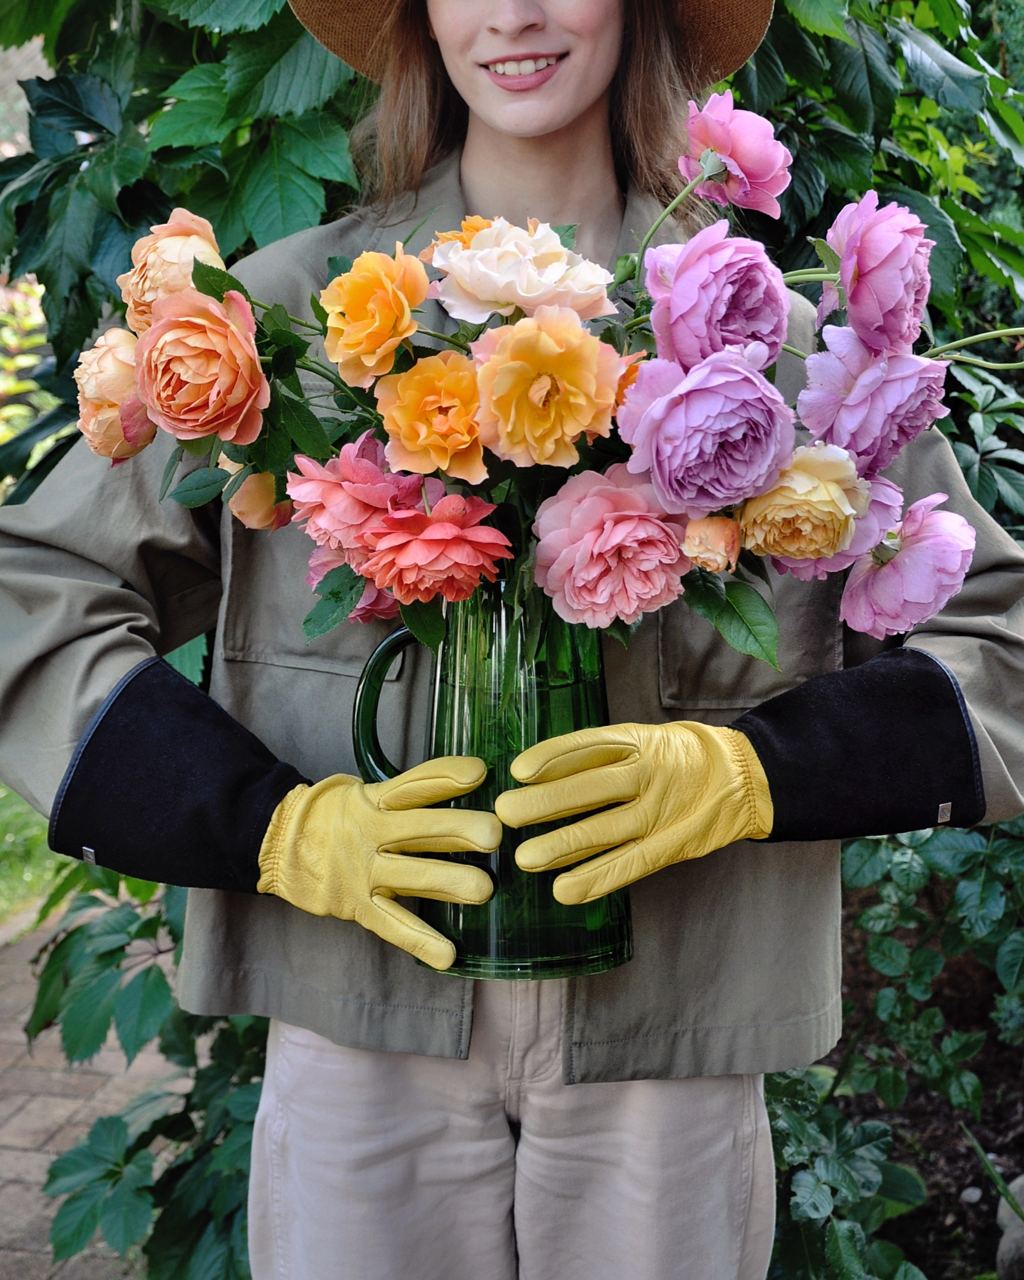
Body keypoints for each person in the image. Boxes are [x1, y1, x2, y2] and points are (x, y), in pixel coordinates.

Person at [1, 1, 1023, 1277]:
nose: (515, 13)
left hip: (673, 1035)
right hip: (360, 1026)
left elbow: (1002, 641)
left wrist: (754, 773)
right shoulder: (283, 325)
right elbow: (32, 590)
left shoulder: (773, 342)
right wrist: (273, 826)